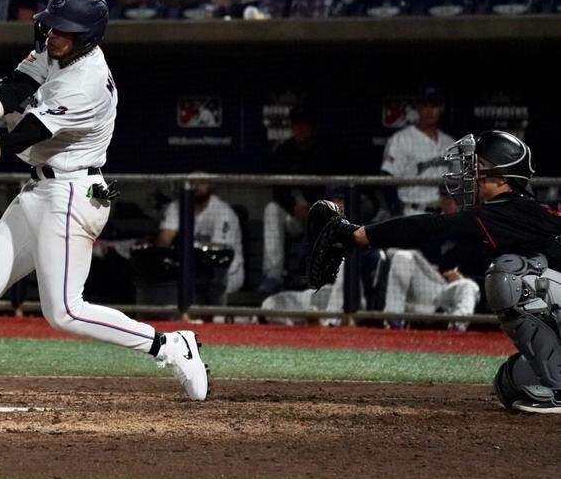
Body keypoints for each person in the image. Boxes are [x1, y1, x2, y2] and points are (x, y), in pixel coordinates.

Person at [0, 0, 208, 401]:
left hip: (73, 194)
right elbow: (14, 86)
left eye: (63, 30)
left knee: (64, 312)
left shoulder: (84, 83)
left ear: (85, 37)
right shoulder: (56, 51)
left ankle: (172, 346)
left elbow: (19, 138)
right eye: (51, 25)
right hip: (39, 189)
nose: (52, 35)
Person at [307, 131, 561, 413]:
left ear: (501, 177)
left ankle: (558, 388)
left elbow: (431, 227)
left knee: (509, 274)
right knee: (511, 382)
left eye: (479, 168)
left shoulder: (511, 211)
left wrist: (357, 236)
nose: (471, 175)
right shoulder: (514, 211)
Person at [261, 106, 340, 293]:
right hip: (296, 214)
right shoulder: (284, 151)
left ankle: (310, 275)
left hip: (321, 215)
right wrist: (294, 206)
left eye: (304, 125)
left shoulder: (325, 151)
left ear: (313, 128)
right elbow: (278, 190)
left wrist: (313, 209)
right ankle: (273, 275)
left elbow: (332, 190)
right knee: (271, 209)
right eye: (296, 125)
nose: (300, 129)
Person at [381, 191, 483, 329]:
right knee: (401, 256)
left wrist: (463, 277)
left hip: (452, 288)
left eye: (455, 199)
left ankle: (456, 330)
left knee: (469, 287)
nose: (450, 203)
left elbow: (486, 275)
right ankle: (393, 319)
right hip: (426, 282)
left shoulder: (475, 230)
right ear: (441, 200)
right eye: (446, 198)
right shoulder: (431, 223)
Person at [156, 181, 244, 304]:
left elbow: (217, 256)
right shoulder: (177, 207)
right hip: (193, 273)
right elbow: (163, 242)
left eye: (202, 182)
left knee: (204, 287)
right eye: (193, 182)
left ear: (211, 185)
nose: (197, 186)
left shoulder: (223, 211)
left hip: (227, 274)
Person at [382, 87, 456, 216]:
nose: (430, 111)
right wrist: (395, 212)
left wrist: (452, 199)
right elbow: (387, 179)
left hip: (443, 216)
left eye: (434, 106)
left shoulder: (450, 143)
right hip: (412, 212)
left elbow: (457, 180)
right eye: (425, 106)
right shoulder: (401, 139)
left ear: (442, 109)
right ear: (418, 108)